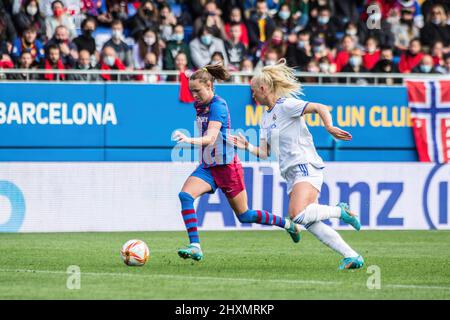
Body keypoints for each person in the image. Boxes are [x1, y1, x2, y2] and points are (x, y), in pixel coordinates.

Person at [229, 59, 364, 270]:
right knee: (309, 221)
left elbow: (319, 107)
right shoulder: (264, 118)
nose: (252, 94)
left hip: (305, 165)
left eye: (253, 90)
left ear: (264, 88)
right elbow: (264, 153)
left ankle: (340, 211)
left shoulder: (286, 105)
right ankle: (351, 255)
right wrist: (247, 146)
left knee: (297, 214)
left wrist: (329, 126)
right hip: (291, 173)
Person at [172, 64, 301, 261]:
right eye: (191, 92)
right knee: (185, 196)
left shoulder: (218, 106)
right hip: (208, 166)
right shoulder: (199, 105)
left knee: (245, 215)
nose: (194, 95)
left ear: (209, 85)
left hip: (227, 169)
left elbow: (210, 137)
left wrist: (188, 140)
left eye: (197, 91)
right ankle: (195, 246)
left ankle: (288, 224)